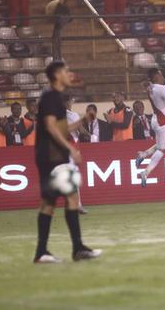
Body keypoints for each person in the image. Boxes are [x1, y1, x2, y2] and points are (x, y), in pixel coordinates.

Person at [33, 61, 101, 263]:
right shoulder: (51, 97)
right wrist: (71, 148)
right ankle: (77, 249)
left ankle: (42, 252)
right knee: (71, 198)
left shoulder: (54, 98)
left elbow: (60, 129)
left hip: (49, 156)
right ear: (56, 75)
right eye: (65, 71)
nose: (68, 73)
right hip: (53, 157)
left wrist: (82, 121)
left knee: (49, 204)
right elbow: (51, 127)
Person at [63, 94, 87, 215]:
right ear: (68, 102)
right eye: (71, 100)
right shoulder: (72, 115)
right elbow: (82, 131)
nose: (72, 102)